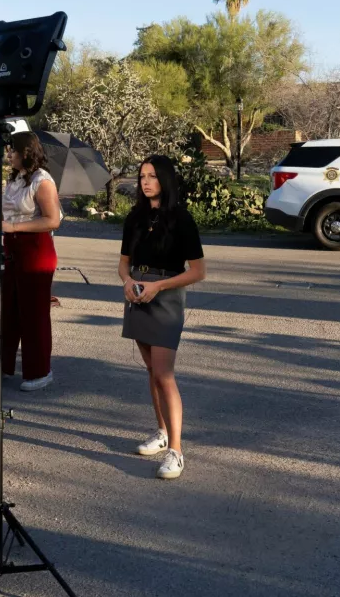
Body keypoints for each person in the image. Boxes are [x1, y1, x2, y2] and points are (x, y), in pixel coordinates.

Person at [118, 155, 206, 480]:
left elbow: (198, 271)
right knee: (151, 371)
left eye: (152, 176)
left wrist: (159, 286)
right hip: (138, 295)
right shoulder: (136, 217)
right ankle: (162, 431)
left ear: (165, 180)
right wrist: (128, 282)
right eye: (142, 175)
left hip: (166, 297)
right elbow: (123, 262)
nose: (145, 181)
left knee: (165, 374)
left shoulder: (181, 219)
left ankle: (176, 451)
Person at [0, 132, 60, 391]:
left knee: (34, 313)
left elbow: (53, 220)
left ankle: (41, 370)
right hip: (13, 248)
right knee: (7, 311)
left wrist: (13, 226)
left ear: (26, 152)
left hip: (36, 250)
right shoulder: (16, 178)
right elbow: (6, 218)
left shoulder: (43, 181)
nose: (8, 155)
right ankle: (1, 364)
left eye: (12, 151)